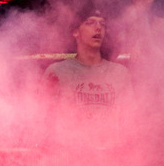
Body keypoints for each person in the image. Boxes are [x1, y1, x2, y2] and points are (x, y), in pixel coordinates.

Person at [42, 8, 135, 150]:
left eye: (102, 24)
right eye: (90, 23)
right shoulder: (57, 72)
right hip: (69, 159)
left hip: (112, 159)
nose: (98, 28)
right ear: (75, 32)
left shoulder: (120, 73)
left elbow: (130, 124)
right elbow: (43, 123)